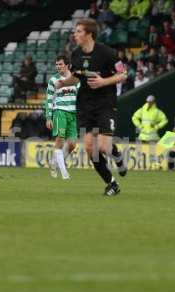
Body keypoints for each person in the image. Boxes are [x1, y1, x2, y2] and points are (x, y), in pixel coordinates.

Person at [55, 18, 127, 196]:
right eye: (75, 31)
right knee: (89, 148)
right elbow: (76, 76)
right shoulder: (76, 54)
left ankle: (118, 157)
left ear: (89, 34)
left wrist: (103, 82)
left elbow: (123, 74)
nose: (75, 34)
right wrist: (64, 83)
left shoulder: (108, 53)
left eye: (79, 31)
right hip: (86, 104)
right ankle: (111, 183)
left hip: (105, 103)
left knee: (103, 146)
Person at [45, 55, 79, 180]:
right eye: (57, 64)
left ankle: (54, 163)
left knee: (72, 144)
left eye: (60, 64)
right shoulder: (53, 80)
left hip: (73, 114)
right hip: (60, 112)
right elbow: (48, 99)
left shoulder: (75, 79)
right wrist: (48, 117)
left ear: (67, 65)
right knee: (60, 140)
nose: (58, 67)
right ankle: (64, 173)